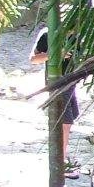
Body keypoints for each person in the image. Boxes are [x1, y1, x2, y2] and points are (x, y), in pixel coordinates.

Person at [29, 27, 80, 178]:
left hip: (71, 83)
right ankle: (60, 164)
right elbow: (33, 59)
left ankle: (62, 158)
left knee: (70, 120)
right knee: (64, 124)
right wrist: (57, 54)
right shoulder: (47, 34)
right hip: (57, 83)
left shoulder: (76, 35)